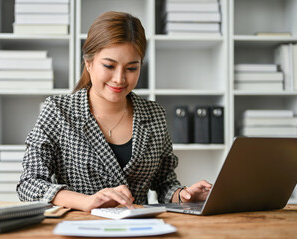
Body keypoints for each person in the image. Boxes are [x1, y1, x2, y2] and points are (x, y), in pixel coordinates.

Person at [16, 11, 212, 212]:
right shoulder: (58, 111)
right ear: (89, 63)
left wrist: (184, 195)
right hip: (79, 225)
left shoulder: (154, 115)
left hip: (138, 227)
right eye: (109, 65)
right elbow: (29, 184)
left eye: (131, 68)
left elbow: (164, 183)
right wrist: (86, 202)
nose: (119, 79)